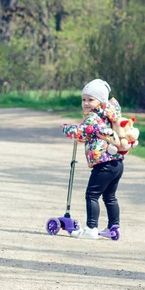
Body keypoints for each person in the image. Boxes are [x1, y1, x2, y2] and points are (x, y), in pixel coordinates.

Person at [61, 79, 124, 240]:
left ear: (100, 101)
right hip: (116, 163)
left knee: (92, 195)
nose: (86, 103)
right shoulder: (108, 116)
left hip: (103, 164)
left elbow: (81, 133)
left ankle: (91, 228)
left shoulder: (93, 118)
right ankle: (113, 227)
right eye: (84, 99)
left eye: (91, 99)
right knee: (110, 196)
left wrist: (67, 128)